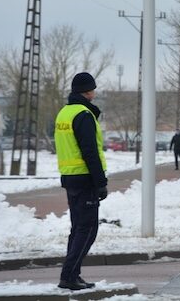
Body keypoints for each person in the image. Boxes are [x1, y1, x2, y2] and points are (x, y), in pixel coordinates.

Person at [54, 72, 107, 291]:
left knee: (78, 229)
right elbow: (90, 151)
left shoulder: (64, 113)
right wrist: (100, 181)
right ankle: (68, 275)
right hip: (85, 179)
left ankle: (72, 274)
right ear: (89, 91)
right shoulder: (83, 114)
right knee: (87, 229)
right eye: (93, 89)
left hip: (70, 177)